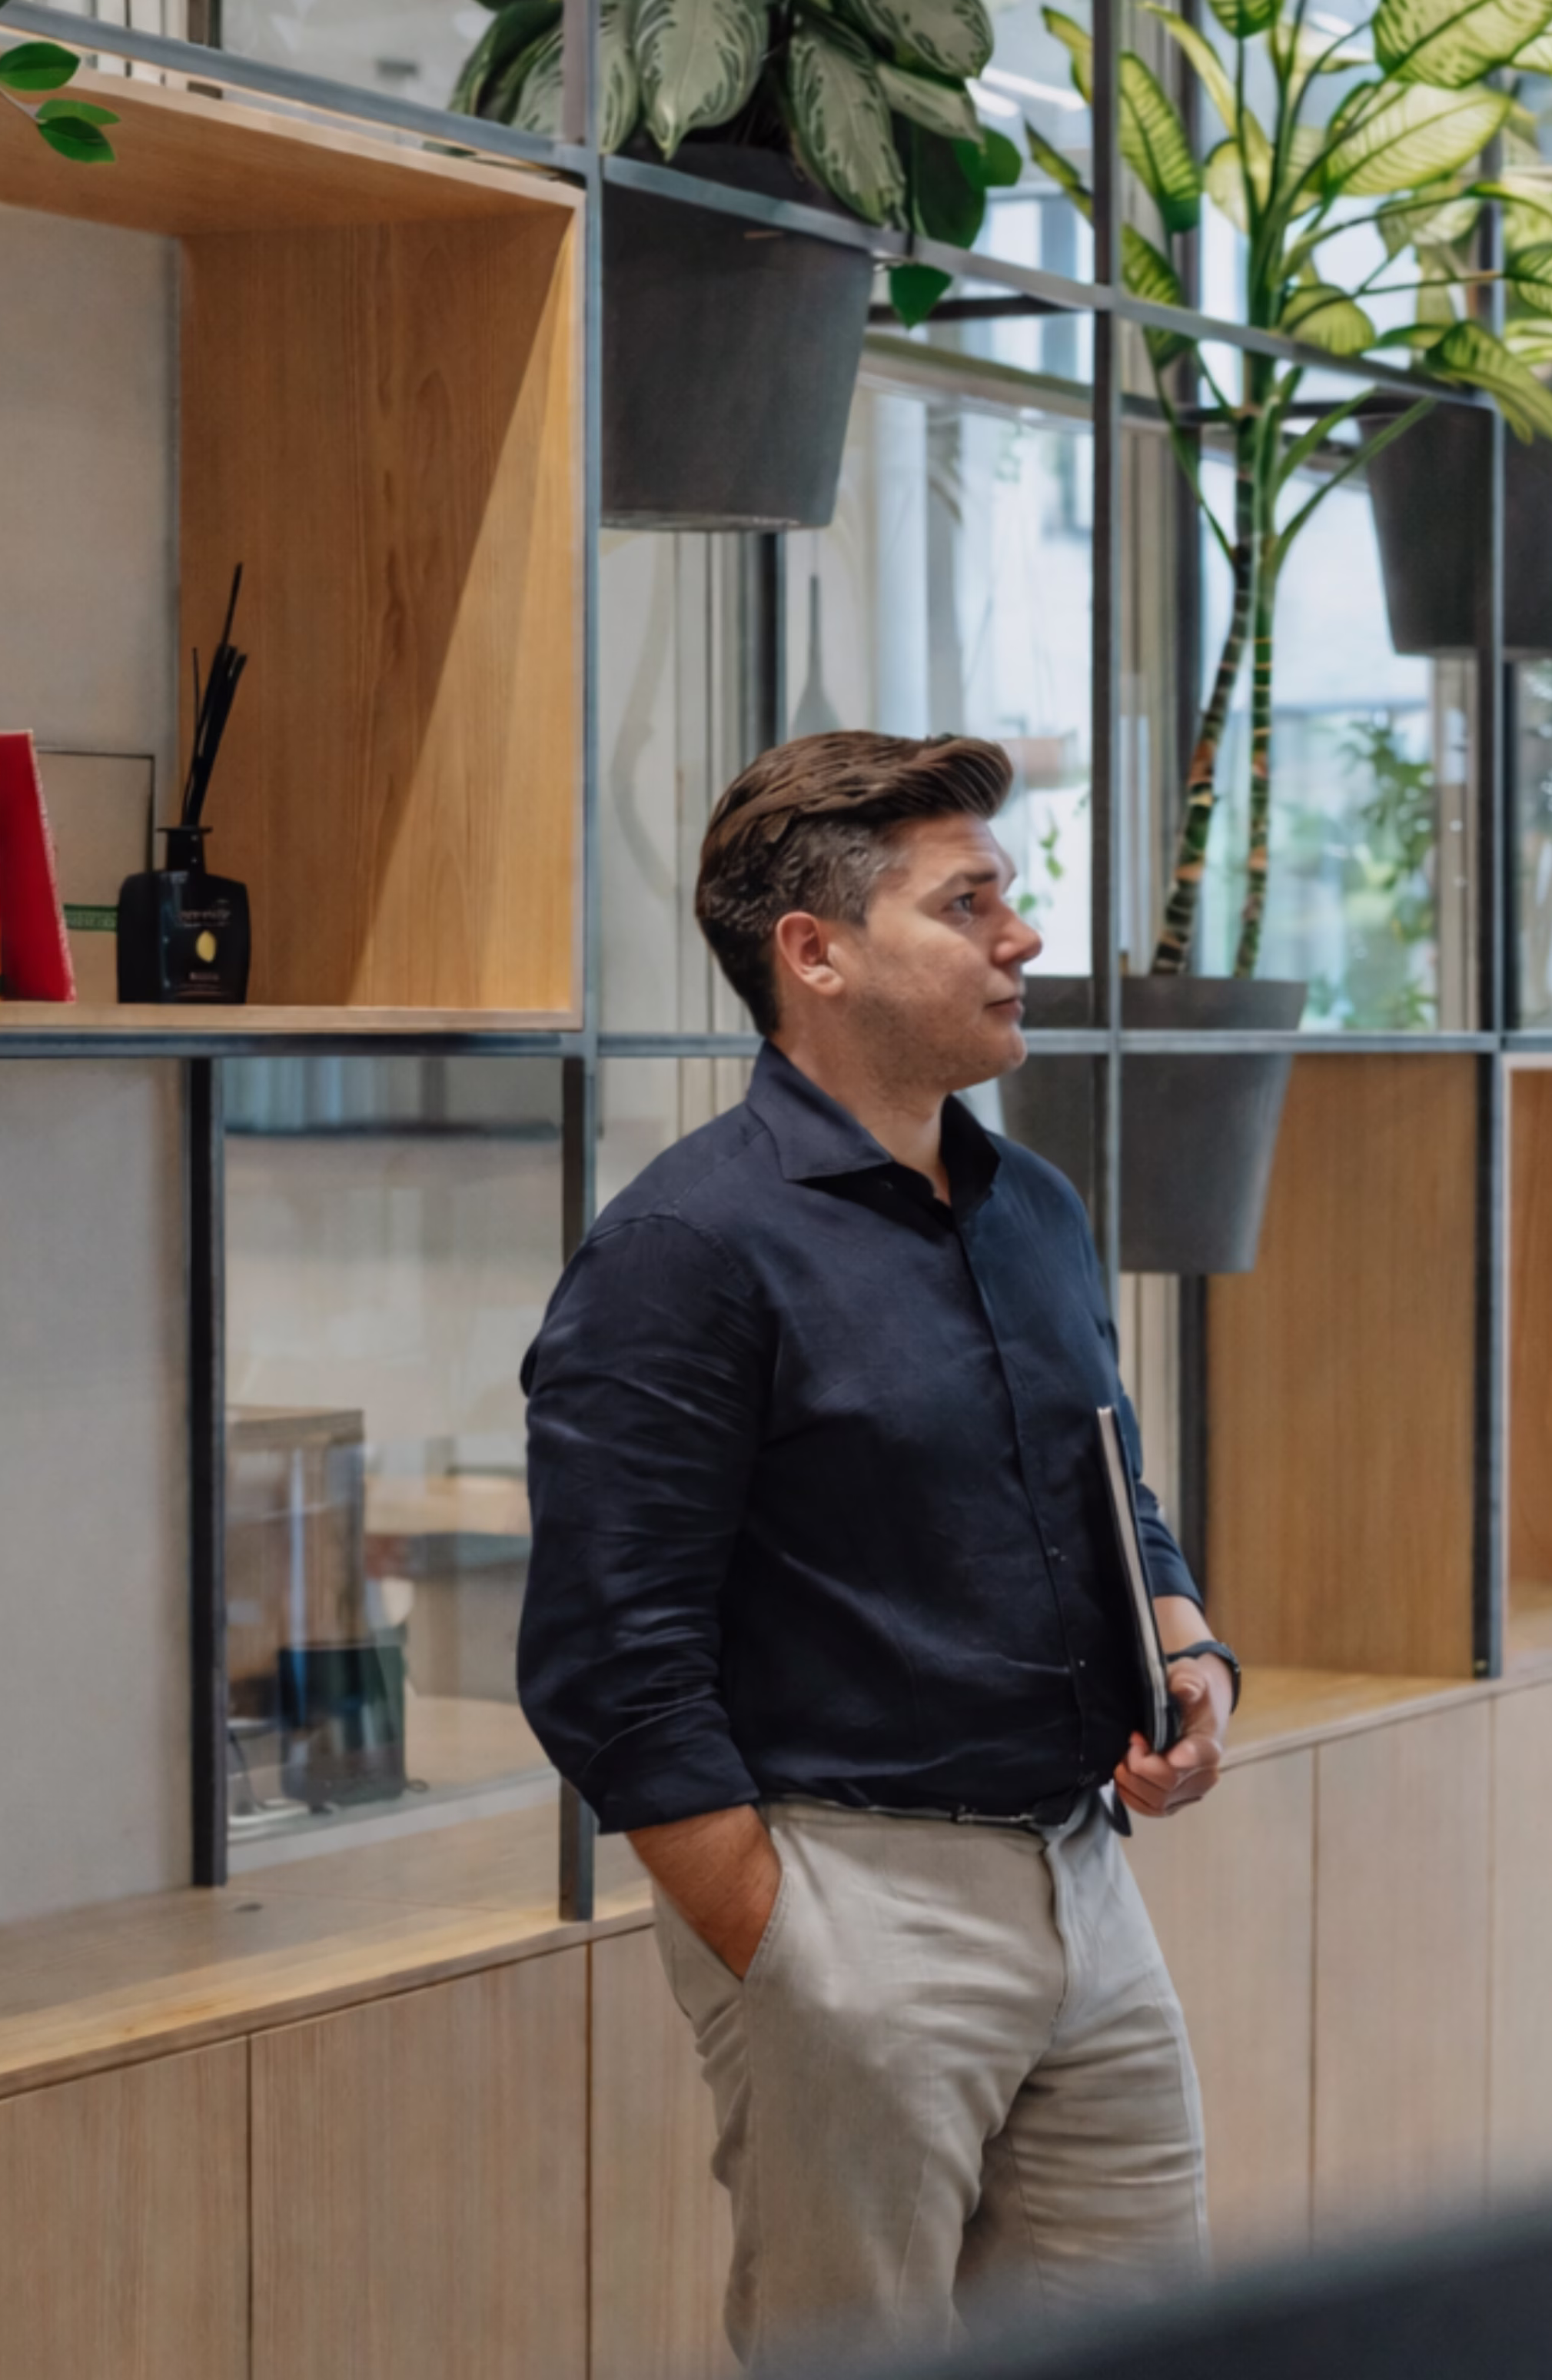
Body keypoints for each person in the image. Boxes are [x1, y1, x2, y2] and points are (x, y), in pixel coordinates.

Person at [517, 730, 1239, 2359]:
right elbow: (605, 1657)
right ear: (816, 952)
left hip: (1087, 1889)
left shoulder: (1033, 1205)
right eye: (969, 901)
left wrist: (1188, 1650)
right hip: (849, 1902)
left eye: (1010, 894)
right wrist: (786, 1944)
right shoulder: (683, 1251)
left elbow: (1110, 1487)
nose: (1024, 936)